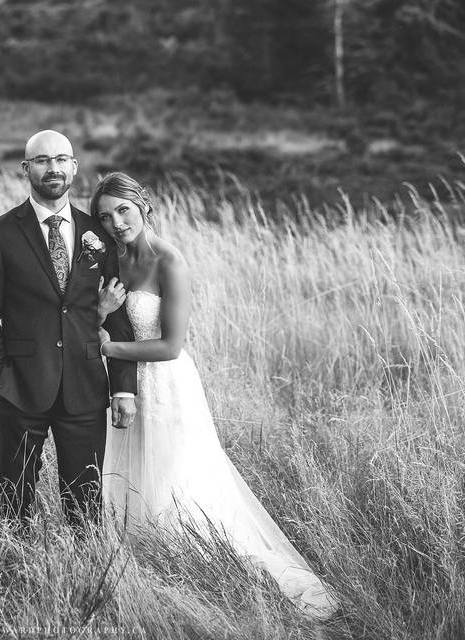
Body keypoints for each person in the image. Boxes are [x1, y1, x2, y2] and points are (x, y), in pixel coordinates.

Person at [92, 172, 339, 619]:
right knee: (132, 480)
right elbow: (108, 317)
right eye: (106, 217)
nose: (117, 223)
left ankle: (208, 566)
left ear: (143, 204)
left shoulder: (169, 261)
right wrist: (101, 315)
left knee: (175, 483)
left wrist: (105, 346)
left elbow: (171, 346)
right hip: (127, 386)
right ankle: (149, 571)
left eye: (123, 210)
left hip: (168, 386)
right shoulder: (113, 258)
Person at [0, 131, 138, 530]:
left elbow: (117, 315)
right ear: (27, 169)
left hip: (85, 384)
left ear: (74, 167)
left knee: (85, 502)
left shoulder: (99, 235)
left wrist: (123, 388)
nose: (54, 168)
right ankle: (12, 572)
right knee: (15, 497)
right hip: (22, 385)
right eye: (43, 160)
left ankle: (82, 577)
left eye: (62, 159)